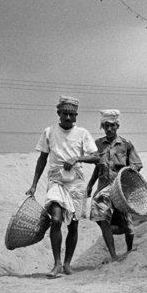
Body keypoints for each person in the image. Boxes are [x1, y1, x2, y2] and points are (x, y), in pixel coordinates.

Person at [26, 96, 99, 279]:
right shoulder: (49, 132)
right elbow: (42, 158)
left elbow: (96, 157)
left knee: (73, 224)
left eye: (71, 114)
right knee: (56, 219)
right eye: (65, 114)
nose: (68, 117)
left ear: (76, 116)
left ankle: (67, 264)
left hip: (76, 180)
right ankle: (57, 263)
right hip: (56, 179)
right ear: (58, 114)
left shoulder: (83, 133)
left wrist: (77, 159)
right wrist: (34, 184)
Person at [85, 110, 143, 261]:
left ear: (117, 126)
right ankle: (113, 255)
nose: (109, 129)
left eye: (112, 125)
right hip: (103, 187)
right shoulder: (98, 144)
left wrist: (131, 171)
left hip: (120, 190)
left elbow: (137, 164)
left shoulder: (126, 144)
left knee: (129, 228)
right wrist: (90, 185)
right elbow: (97, 166)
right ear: (102, 127)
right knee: (101, 217)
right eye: (105, 126)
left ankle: (129, 251)